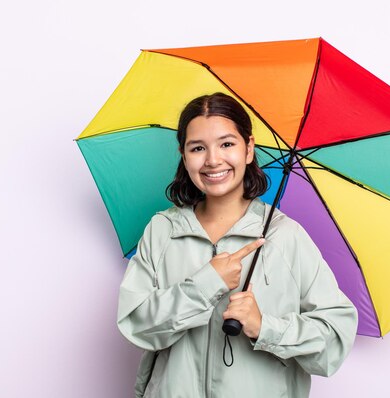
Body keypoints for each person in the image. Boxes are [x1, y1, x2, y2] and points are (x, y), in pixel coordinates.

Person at [117, 92, 358, 398]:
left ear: (249, 149)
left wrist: (264, 327)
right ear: (183, 154)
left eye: (227, 144)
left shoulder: (285, 236)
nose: (213, 160)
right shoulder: (162, 230)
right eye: (198, 148)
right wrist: (205, 286)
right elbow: (135, 324)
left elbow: (334, 342)